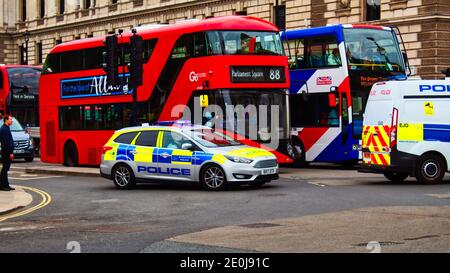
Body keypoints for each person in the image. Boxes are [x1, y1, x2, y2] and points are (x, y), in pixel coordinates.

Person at [0, 115, 15, 191]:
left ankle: (5, 185)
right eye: (10, 119)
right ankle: (3, 186)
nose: (12, 121)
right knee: (5, 169)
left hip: (6, 152)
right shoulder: (4, 129)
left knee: (5, 169)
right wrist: (10, 153)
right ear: (6, 120)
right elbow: (7, 143)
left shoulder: (6, 128)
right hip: (6, 152)